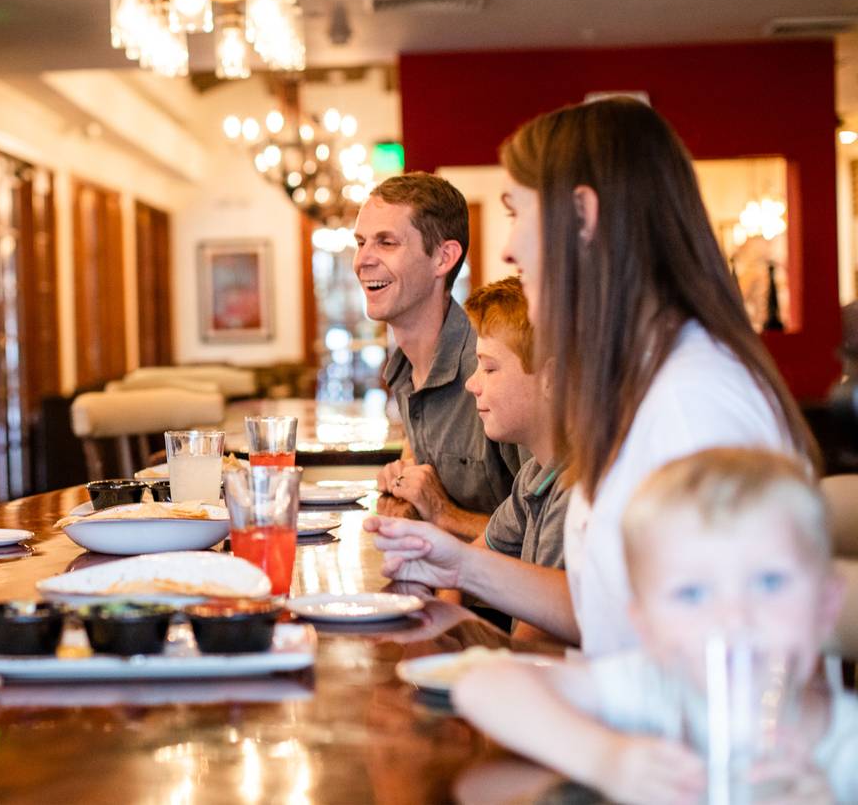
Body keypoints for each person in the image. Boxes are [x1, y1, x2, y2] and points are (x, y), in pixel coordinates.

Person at [365, 97, 815, 653]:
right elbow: (609, 606)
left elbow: (707, 671)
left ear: (582, 214)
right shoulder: (637, 377)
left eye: (516, 212)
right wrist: (458, 564)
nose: (508, 246)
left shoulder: (689, 401)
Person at [453, 449, 855, 804]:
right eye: (693, 594)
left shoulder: (847, 748)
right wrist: (607, 759)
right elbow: (484, 685)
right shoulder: (657, 689)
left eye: (769, 582)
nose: (733, 618)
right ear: (644, 624)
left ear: (826, 604)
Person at [394, 278, 570, 637]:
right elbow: (475, 558)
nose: (472, 384)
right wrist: (439, 631)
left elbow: (535, 642)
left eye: (489, 369)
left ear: (551, 378)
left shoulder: (574, 490)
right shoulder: (534, 475)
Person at [355, 172, 522, 521]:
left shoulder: (493, 363)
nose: (362, 260)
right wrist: (405, 484)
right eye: (360, 243)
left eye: (386, 242)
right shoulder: (404, 367)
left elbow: (549, 536)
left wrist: (443, 513)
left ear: (443, 258)